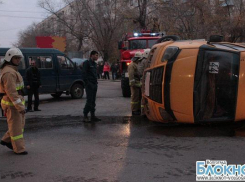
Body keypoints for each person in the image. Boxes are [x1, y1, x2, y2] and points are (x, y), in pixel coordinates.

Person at [0, 48, 28, 155]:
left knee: (19, 125)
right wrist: (20, 107)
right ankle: (19, 149)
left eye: (19, 58)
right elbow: (11, 92)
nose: (18, 60)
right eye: (16, 58)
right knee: (16, 128)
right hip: (12, 105)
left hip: (15, 103)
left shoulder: (12, 70)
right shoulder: (9, 73)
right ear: (10, 58)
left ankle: (6, 140)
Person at [82, 51, 101, 123]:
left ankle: (93, 116)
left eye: (97, 55)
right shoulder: (87, 63)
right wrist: (88, 83)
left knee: (93, 101)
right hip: (89, 85)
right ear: (91, 55)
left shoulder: (94, 64)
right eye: (96, 55)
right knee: (89, 100)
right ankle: (85, 115)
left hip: (94, 84)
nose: (97, 57)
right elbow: (84, 74)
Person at [128, 51, 143, 116]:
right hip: (134, 84)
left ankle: (137, 109)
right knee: (135, 98)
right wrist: (132, 83)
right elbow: (131, 75)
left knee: (138, 97)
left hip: (138, 83)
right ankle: (134, 110)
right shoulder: (132, 65)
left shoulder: (136, 64)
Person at [137, 49, 151, 116]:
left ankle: (143, 111)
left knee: (143, 96)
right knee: (145, 96)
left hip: (142, 80)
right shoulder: (146, 61)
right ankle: (145, 112)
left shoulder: (141, 61)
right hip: (145, 81)